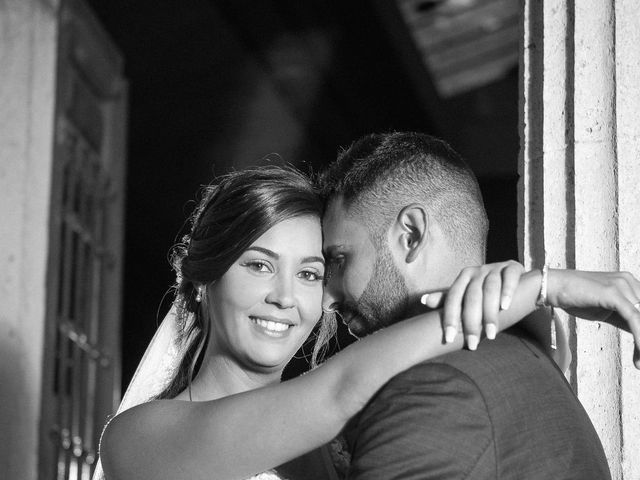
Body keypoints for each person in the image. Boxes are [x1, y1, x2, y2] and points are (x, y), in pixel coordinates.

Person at [97, 165, 639, 480]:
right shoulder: (138, 437)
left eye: (311, 273)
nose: (286, 297)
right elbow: (340, 388)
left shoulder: (339, 439)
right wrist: (545, 287)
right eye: (259, 265)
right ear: (202, 281)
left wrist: (534, 316)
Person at [318, 131, 640, 479]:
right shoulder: (526, 353)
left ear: (411, 234)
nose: (326, 300)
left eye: (339, 260)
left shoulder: (435, 387)